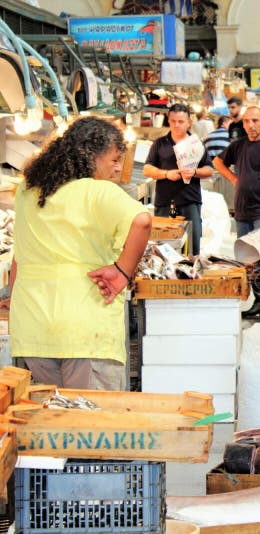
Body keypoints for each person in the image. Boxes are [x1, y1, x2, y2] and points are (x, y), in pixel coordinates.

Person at [2, 117, 151, 389]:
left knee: (53, 420)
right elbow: (142, 221)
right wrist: (122, 271)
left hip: (33, 326)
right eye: (115, 160)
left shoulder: (27, 188)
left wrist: (13, 299)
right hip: (84, 329)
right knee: (91, 423)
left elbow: (19, 256)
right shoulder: (98, 191)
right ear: (91, 156)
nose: (118, 168)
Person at [213, 106, 260, 320]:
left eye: (255, 120)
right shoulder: (238, 145)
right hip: (242, 210)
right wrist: (233, 179)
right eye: (247, 121)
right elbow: (217, 161)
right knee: (248, 260)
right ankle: (258, 301)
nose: (251, 125)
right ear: (243, 124)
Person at [143, 103, 214, 255]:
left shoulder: (196, 145)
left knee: (192, 248)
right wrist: (166, 174)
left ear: (189, 123)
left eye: (181, 121)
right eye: (173, 121)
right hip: (164, 202)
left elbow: (209, 170)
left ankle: (191, 277)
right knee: (163, 247)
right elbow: (147, 169)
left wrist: (194, 172)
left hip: (190, 201)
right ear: (168, 121)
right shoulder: (160, 143)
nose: (176, 125)